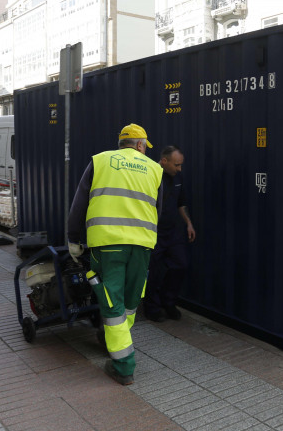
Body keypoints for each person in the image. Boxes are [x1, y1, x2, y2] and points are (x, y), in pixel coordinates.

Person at [67, 123, 163, 386]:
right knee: (130, 301)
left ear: (121, 144)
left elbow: (79, 204)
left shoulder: (100, 162)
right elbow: (158, 212)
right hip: (142, 246)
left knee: (112, 302)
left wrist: (73, 239)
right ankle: (115, 338)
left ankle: (123, 365)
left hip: (108, 245)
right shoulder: (155, 169)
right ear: (141, 145)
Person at [144, 145, 196, 323]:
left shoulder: (178, 177)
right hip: (154, 233)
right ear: (164, 161)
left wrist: (188, 223)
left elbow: (181, 203)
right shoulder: (151, 176)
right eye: (176, 164)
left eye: (180, 164)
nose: (179, 168)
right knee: (155, 272)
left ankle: (169, 303)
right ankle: (152, 308)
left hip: (173, 232)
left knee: (180, 265)